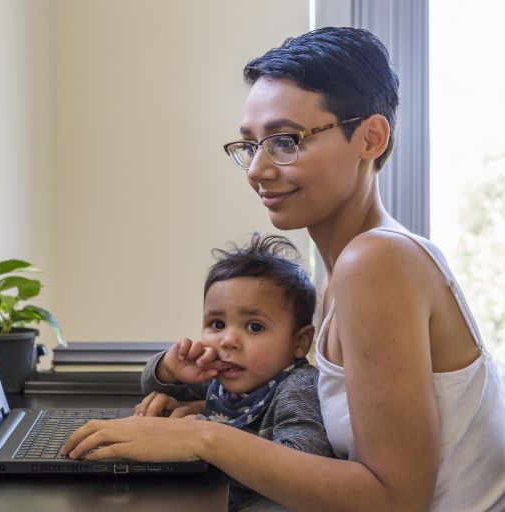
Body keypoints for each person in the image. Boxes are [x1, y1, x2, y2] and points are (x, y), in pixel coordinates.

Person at [62, 26, 505, 511]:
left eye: (286, 141)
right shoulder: (352, 263)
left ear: (370, 138)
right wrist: (215, 419)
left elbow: (395, 500)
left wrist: (206, 439)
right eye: (250, 144)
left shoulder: (377, 260)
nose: (257, 169)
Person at [136, 233, 332, 510]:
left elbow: (304, 459)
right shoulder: (224, 375)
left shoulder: (297, 386)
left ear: (299, 342)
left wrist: (205, 432)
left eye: (254, 327)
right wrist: (170, 368)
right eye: (217, 324)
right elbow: (158, 386)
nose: (227, 340)